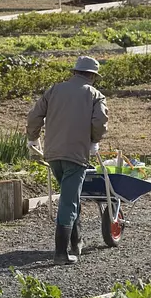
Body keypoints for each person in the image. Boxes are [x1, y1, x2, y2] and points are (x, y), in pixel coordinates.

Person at [27, 56, 108, 265]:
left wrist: (33, 137)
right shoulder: (95, 95)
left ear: (74, 72)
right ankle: (61, 253)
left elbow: (35, 116)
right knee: (69, 200)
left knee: (71, 195)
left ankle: (76, 241)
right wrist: (94, 141)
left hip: (53, 153)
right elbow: (99, 122)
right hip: (75, 155)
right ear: (92, 76)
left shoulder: (54, 90)